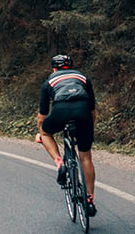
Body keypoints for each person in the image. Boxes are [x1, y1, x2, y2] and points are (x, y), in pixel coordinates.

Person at [36, 54, 97, 216]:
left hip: (60, 110)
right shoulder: (83, 78)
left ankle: (59, 163)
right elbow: (92, 110)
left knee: (45, 131)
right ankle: (90, 199)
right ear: (70, 66)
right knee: (85, 157)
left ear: (53, 68)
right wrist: (90, 127)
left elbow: (42, 116)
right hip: (83, 113)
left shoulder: (49, 82)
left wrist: (39, 132)